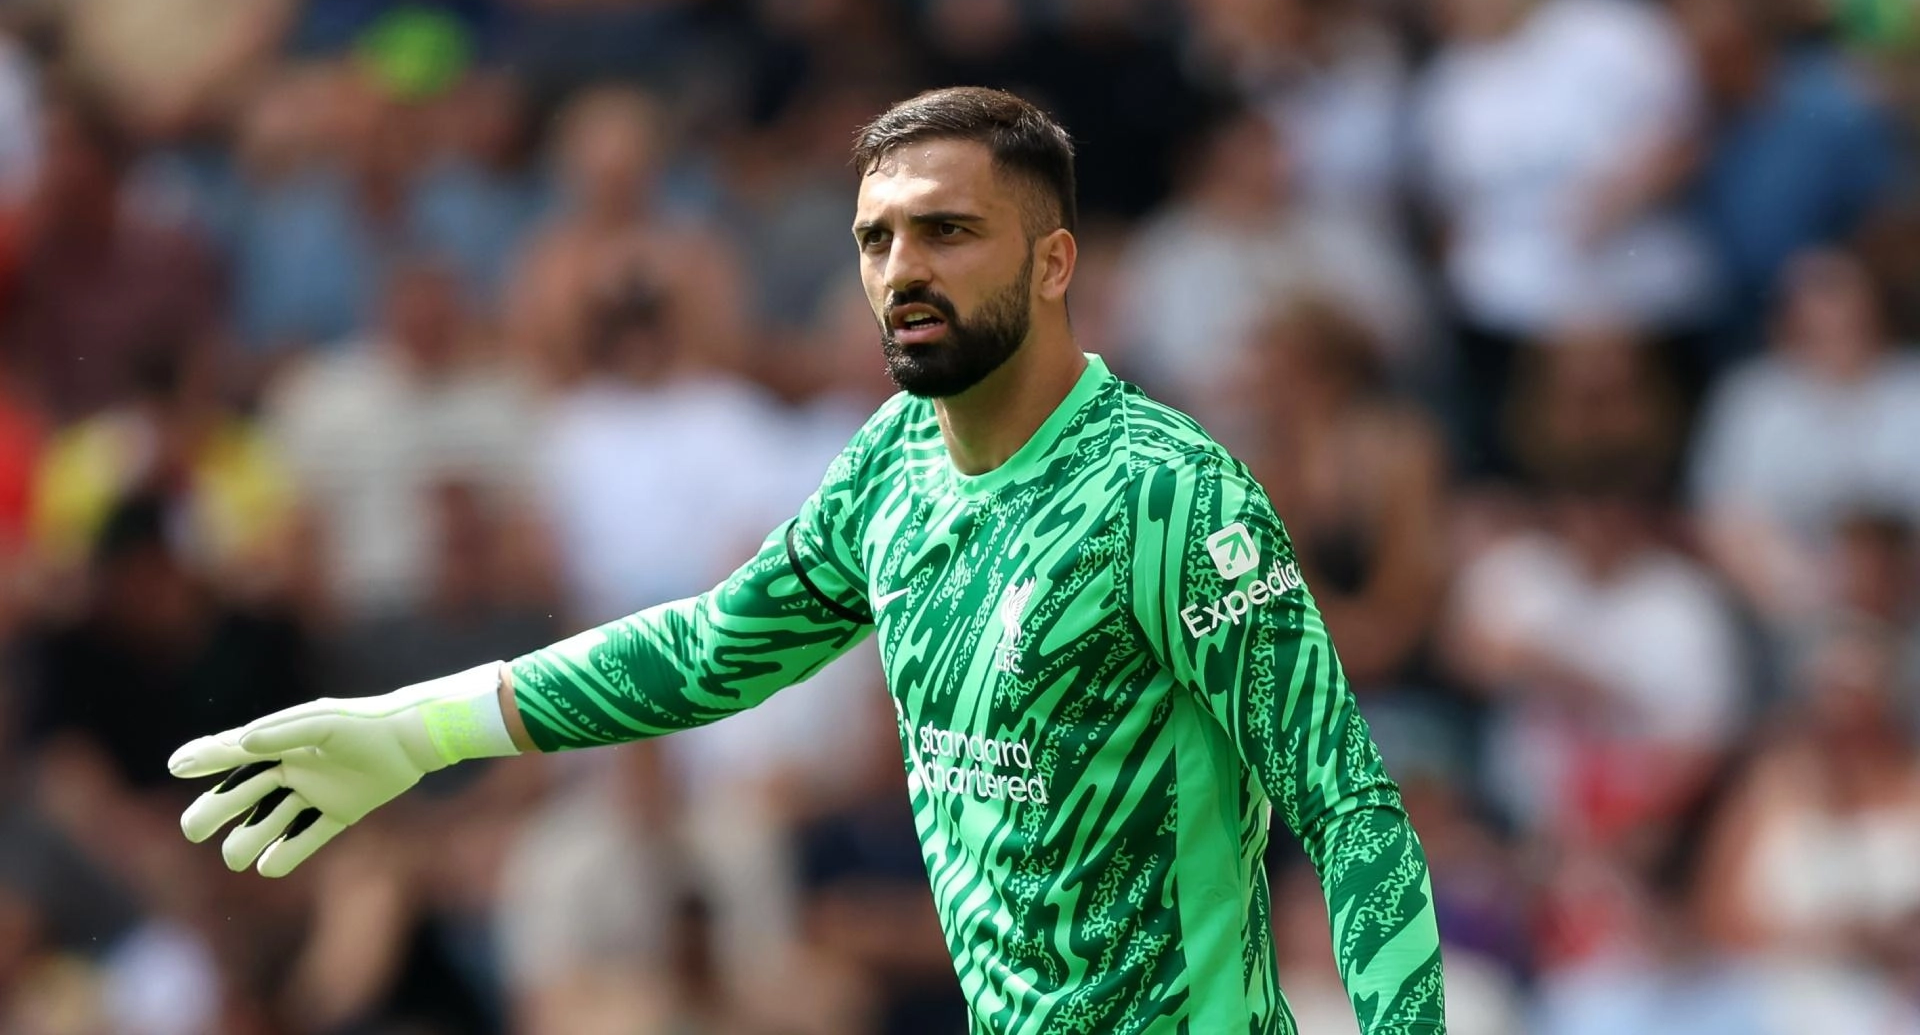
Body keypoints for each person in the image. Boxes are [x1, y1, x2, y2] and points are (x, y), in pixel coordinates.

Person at [168, 87, 1446, 1034]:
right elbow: (711, 652)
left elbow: (1350, 808)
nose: (902, 271)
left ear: (1055, 261)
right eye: (877, 238)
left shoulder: (1168, 493)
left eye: (949, 232)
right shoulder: (892, 464)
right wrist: (422, 728)